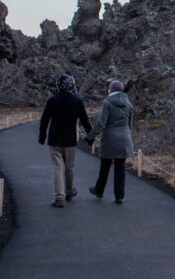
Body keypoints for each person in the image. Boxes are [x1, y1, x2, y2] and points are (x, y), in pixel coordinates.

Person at [38, 74, 92, 208]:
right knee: (69, 168)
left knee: (57, 167)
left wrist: (42, 136)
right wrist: (90, 137)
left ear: (58, 86)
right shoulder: (77, 101)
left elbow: (44, 120)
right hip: (70, 141)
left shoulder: (52, 101)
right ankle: (69, 191)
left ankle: (59, 196)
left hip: (54, 140)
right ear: (72, 86)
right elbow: (85, 121)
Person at [85, 79, 134, 204]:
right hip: (124, 139)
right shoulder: (129, 104)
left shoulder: (107, 102)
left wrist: (90, 136)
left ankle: (99, 191)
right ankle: (119, 196)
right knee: (120, 168)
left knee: (105, 166)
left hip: (109, 139)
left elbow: (101, 123)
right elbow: (130, 125)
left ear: (110, 90)